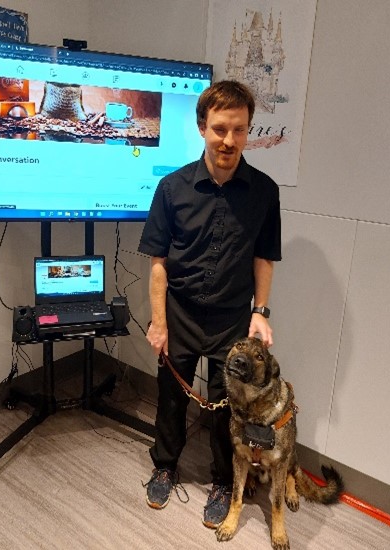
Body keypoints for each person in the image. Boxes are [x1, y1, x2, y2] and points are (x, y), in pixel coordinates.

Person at [138, 80, 282, 528]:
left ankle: (224, 480)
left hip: (231, 319)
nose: (229, 140)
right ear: (203, 127)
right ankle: (165, 464)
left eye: (239, 130)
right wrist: (159, 324)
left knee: (227, 406)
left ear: (248, 130)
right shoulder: (172, 188)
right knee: (171, 399)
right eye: (220, 128)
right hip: (179, 312)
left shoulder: (264, 190)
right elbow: (158, 264)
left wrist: (260, 313)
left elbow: (264, 257)